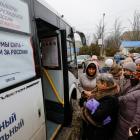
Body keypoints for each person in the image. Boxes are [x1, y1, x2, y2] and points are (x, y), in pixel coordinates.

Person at [81, 73, 119, 140]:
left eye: (98, 83)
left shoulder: (110, 99)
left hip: (100, 132)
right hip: (95, 130)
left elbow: (98, 116)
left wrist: (89, 104)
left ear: (104, 84)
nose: (97, 85)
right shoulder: (103, 91)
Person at [113, 62, 140, 140]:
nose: (124, 72)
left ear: (132, 71)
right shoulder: (123, 79)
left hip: (127, 121)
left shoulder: (134, 83)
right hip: (121, 114)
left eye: (126, 70)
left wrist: (133, 130)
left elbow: (138, 115)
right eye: (124, 70)